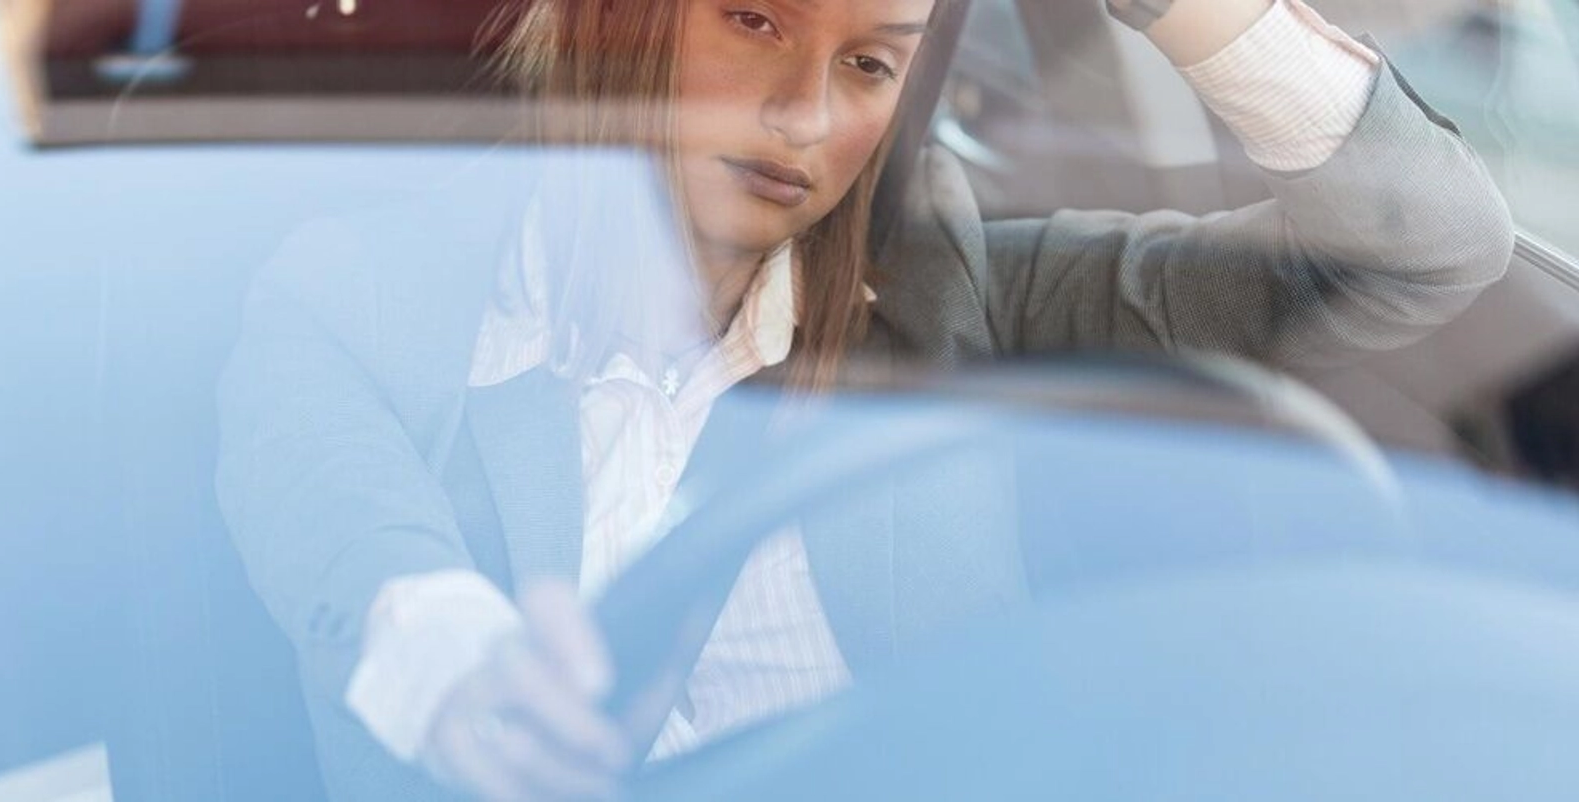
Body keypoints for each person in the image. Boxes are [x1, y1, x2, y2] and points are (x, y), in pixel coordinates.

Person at [216, 1, 1515, 800]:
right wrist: (477, 681)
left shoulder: (956, 291)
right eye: (754, 22)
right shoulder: (356, 299)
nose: (802, 115)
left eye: (871, 65)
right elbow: (358, 546)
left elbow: (1424, 250)